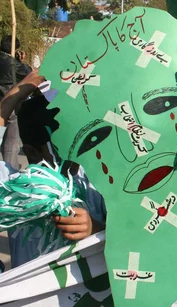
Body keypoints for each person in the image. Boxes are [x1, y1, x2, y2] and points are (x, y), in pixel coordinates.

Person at [0, 77, 106, 268]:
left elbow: (132, 241)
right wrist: (18, 92)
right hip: (29, 295)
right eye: (63, 147)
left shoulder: (97, 185)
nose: (77, 155)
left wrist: (95, 228)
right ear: (32, 153)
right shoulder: (15, 189)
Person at [0, 35, 32, 170]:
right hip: (8, 104)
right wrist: (21, 61)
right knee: (11, 141)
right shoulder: (11, 63)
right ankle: (9, 170)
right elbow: (29, 74)